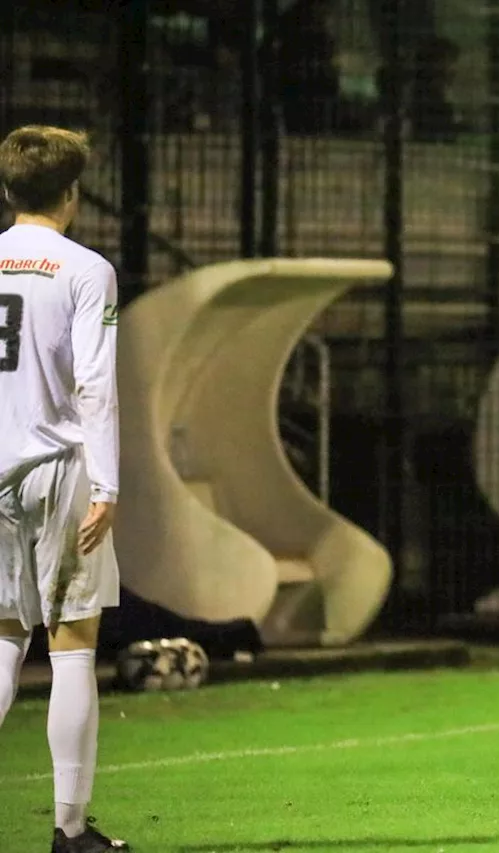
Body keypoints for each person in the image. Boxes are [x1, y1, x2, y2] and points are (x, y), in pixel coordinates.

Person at [0, 126, 129, 850]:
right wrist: (106, 484)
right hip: (58, 470)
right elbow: (94, 384)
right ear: (72, 193)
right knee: (73, 644)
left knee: (2, 640)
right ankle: (69, 830)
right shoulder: (85, 269)